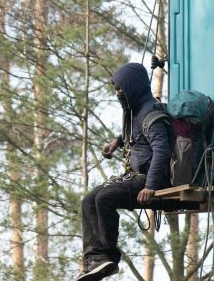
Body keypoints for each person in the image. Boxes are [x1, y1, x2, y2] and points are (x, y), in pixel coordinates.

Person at [75, 62, 171, 281]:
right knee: (89, 200)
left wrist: (151, 186)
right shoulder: (133, 109)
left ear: (133, 87)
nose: (118, 93)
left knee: (105, 198)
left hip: (151, 179)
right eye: (116, 89)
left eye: (121, 89)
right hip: (136, 176)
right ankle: (96, 258)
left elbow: (162, 150)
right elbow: (135, 133)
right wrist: (117, 142)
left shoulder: (150, 112)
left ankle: (108, 254)